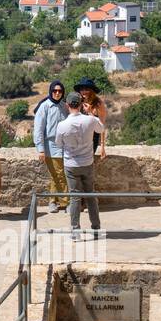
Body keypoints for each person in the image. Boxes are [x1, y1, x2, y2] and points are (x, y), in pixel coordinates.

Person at [54, 91, 104, 236]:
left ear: (67, 105)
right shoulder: (89, 120)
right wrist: (91, 114)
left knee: (75, 197)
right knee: (91, 195)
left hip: (71, 164)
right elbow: (101, 128)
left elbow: (58, 143)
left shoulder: (62, 125)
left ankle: (75, 229)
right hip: (87, 163)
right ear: (82, 104)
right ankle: (96, 228)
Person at [33, 80, 69, 213]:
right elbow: (38, 129)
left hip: (64, 145)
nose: (57, 93)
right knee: (60, 174)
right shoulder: (44, 107)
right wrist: (40, 149)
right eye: (55, 91)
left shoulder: (64, 106)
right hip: (50, 146)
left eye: (60, 91)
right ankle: (66, 202)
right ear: (51, 91)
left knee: (56, 174)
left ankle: (52, 201)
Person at [74, 78, 108, 159]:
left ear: (92, 90)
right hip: (78, 138)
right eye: (82, 89)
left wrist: (102, 146)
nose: (84, 91)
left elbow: (102, 125)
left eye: (86, 89)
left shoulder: (98, 103)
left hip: (92, 139)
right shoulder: (78, 101)